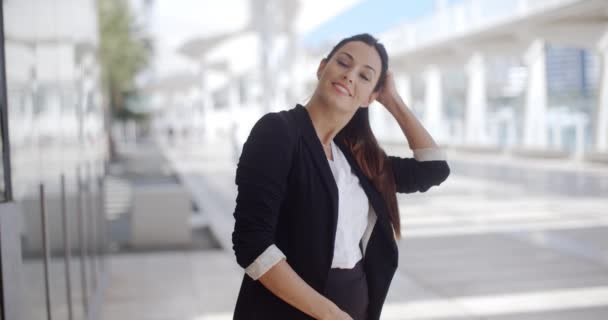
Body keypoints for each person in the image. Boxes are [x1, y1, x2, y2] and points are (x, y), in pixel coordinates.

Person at [231, 33, 450, 320]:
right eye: (343, 63)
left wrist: (392, 99)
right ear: (322, 67)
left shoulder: (358, 157)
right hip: (286, 310)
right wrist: (330, 313)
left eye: (364, 76)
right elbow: (252, 243)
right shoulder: (278, 131)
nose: (349, 76)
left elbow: (433, 169)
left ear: (371, 96)